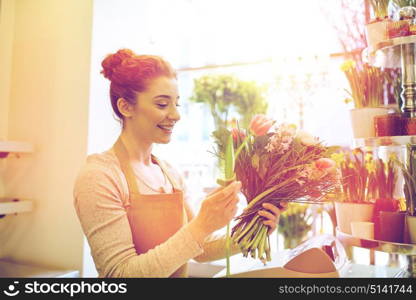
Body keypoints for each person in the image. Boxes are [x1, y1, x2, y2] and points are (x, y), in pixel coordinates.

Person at [73, 49, 285, 278]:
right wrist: (203, 223)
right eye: (162, 105)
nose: (176, 115)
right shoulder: (99, 177)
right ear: (126, 107)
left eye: (177, 104)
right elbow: (121, 276)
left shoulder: (169, 173)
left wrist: (254, 231)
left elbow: (199, 250)